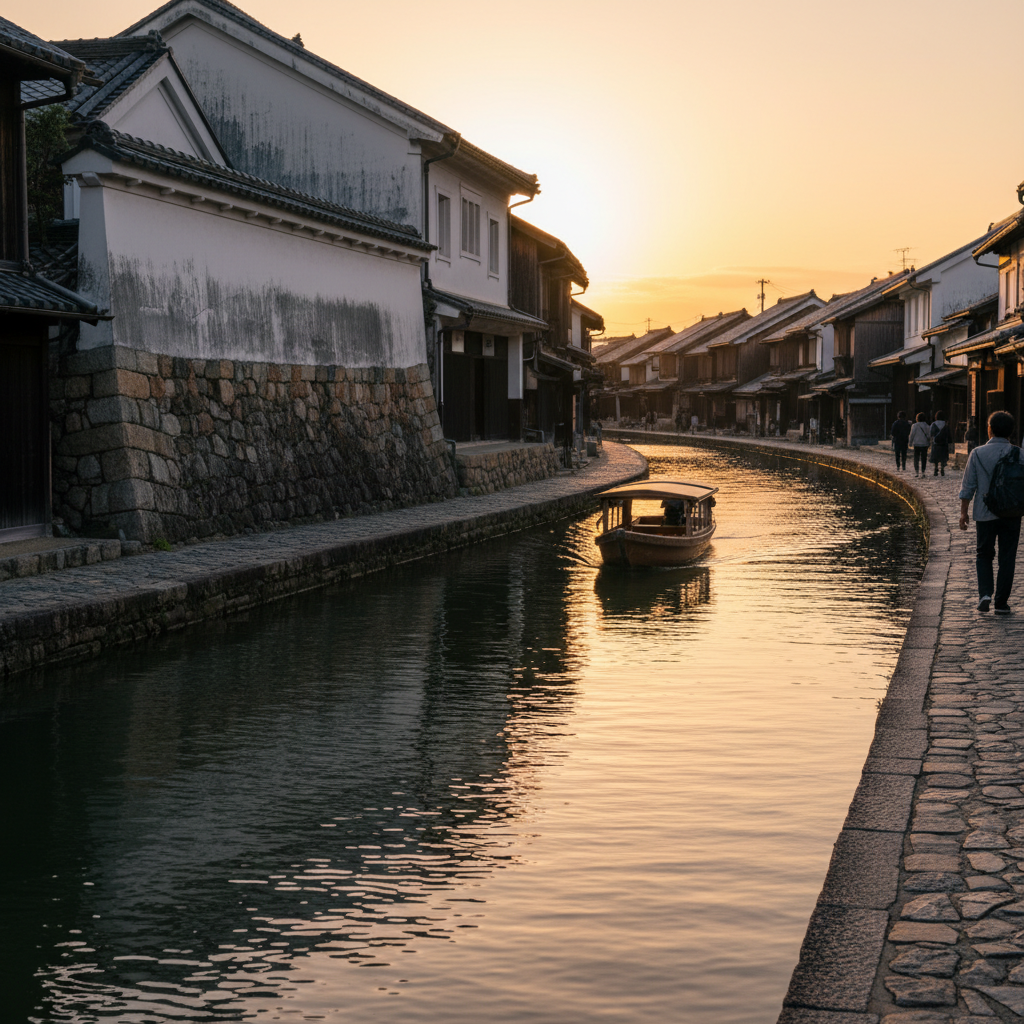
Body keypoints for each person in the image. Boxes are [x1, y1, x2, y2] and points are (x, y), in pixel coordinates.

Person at [959, 410, 1024, 614]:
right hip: (1012, 513)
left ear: (989, 430)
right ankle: (1002, 603)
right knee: (1007, 557)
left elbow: (968, 486)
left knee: (984, 554)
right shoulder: (1020, 454)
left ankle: (985, 593)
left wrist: (964, 513)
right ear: (1011, 432)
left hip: (984, 513)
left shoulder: (977, 453)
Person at [930, 410, 951, 476]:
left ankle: (936, 468)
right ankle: (942, 469)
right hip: (944, 443)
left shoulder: (933, 424)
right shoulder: (946, 424)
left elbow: (931, 433)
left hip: (936, 443)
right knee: (943, 457)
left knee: (935, 457)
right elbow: (948, 434)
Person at [909, 412, 931, 477]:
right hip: (924, 444)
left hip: (916, 444)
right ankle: (923, 472)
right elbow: (929, 436)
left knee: (916, 458)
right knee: (924, 458)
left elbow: (912, 435)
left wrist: (910, 442)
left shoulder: (914, 425)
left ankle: (917, 472)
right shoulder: (927, 426)